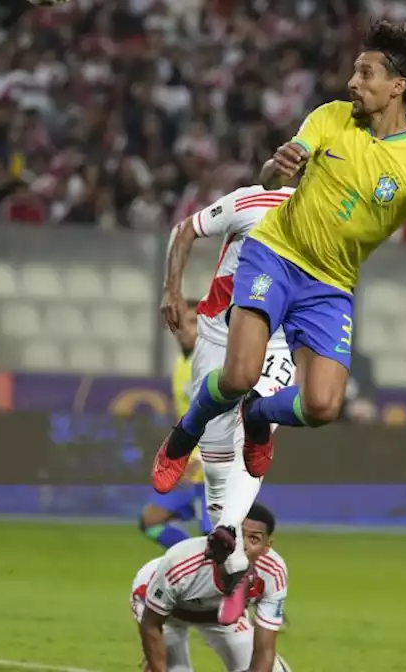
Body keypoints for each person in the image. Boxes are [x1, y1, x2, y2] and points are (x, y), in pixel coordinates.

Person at [152, 19, 406, 613]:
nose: (352, 81)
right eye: (354, 70)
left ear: (397, 85)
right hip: (277, 254)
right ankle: (185, 432)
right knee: (238, 374)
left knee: (324, 406)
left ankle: (262, 420)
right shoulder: (328, 117)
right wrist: (278, 169)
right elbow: (272, 179)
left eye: (365, 73)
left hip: (331, 287)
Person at [157, 186, 297, 623]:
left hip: (279, 339)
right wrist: (172, 291)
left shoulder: (336, 219)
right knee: (219, 466)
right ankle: (234, 563)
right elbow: (185, 230)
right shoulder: (254, 202)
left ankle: (227, 544)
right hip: (218, 334)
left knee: (260, 425)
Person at [133, 504, 289, 672]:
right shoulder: (182, 562)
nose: (243, 546)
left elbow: (264, 650)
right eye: (238, 535)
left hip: (221, 617)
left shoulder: (273, 572)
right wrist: (157, 661)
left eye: (254, 539)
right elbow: (151, 624)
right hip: (166, 612)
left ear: (267, 547)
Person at [140, 299, 212, 551]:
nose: (185, 329)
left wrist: (202, 458)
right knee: (150, 521)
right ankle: (192, 560)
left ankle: (229, 580)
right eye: (180, 322)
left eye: (193, 322)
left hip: (213, 466)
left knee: (216, 540)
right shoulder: (181, 364)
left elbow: (225, 417)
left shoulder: (211, 364)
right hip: (188, 465)